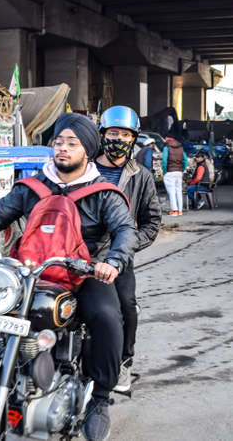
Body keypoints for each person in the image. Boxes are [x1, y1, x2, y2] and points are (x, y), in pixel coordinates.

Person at [0, 113, 138, 441]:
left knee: (107, 318)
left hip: (85, 272)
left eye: (72, 144)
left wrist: (114, 261)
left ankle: (100, 398)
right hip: (32, 269)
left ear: (87, 151)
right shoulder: (33, 186)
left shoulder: (103, 192)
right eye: (58, 142)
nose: (62, 149)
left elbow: (125, 230)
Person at [96, 105, 162, 393]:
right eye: (113, 133)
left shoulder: (141, 176)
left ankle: (123, 363)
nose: (118, 139)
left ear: (134, 139)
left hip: (119, 259)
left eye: (125, 134)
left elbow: (152, 222)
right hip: (80, 253)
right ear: (102, 135)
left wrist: (125, 249)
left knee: (126, 307)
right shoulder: (84, 168)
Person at [162, 137, 188, 216]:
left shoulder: (166, 148)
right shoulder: (181, 148)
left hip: (170, 172)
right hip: (179, 172)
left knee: (172, 192)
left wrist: (165, 171)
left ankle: (174, 211)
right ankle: (180, 211)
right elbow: (185, 160)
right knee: (179, 191)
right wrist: (183, 169)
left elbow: (164, 160)